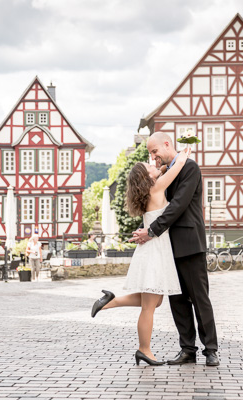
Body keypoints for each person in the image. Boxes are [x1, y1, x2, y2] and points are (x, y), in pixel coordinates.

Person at [90, 144, 191, 366]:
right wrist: (185, 150)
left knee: (156, 302)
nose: (154, 163)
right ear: (147, 177)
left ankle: (110, 302)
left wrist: (154, 163)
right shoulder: (156, 188)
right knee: (149, 306)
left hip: (153, 250)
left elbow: (163, 169)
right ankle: (144, 349)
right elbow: (179, 164)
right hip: (154, 252)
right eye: (149, 165)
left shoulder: (151, 188)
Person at [133, 132, 219, 367]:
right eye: (150, 153)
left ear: (167, 144)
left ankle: (211, 349)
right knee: (178, 302)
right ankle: (187, 349)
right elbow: (158, 206)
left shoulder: (189, 167)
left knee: (200, 299)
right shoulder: (163, 175)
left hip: (190, 244)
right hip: (168, 247)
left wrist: (151, 231)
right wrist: (147, 228)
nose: (153, 157)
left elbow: (179, 205)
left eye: (154, 151)